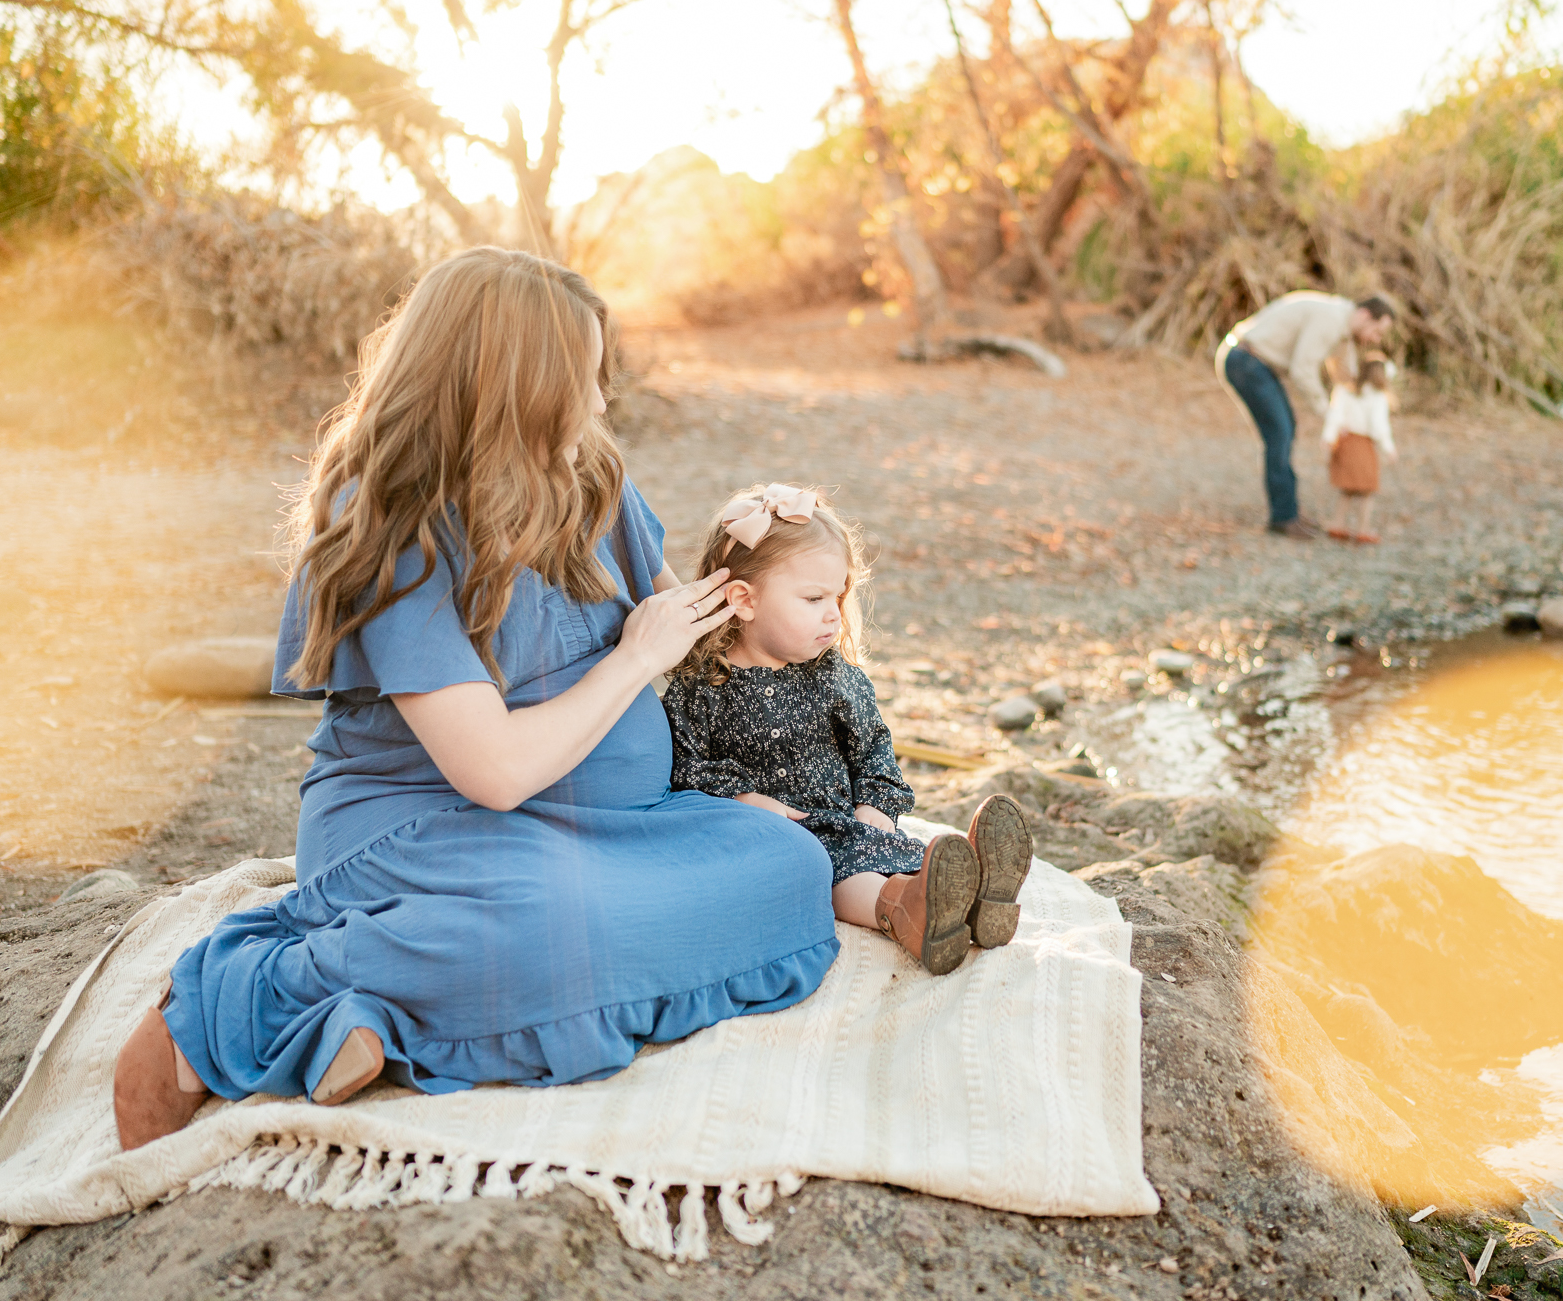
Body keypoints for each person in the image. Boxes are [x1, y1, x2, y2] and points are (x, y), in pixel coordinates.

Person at [112, 248, 841, 1150]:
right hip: (426, 828)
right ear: (513, 384)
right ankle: (244, 1002)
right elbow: (491, 772)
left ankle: (378, 1009)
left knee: (789, 863)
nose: (602, 403)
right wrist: (631, 662)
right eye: (582, 378)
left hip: (598, 828)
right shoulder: (395, 523)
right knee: (545, 927)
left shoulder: (594, 483)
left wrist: (769, 580)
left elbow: (690, 633)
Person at [660, 483, 1034, 977]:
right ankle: (905, 911)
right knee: (838, 872)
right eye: (813, 597)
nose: (834, 613)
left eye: (838, 595)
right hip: (781, 840)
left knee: (903, 856)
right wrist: (742, 800)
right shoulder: (702, 684)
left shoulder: (831, 674)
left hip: (852, 819)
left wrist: (876, 805)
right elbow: (685, 764)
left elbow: (873, 749)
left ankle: (979, 898)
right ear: (743, 600)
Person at [1214, 292, 1396, 539]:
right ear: (1364, 315)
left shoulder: (1342, 327)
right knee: (1280, 433)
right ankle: (1283, 518)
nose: (1375, 339)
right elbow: (1302, 369)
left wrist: (1366, 400)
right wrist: (1329, 414)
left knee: (1286, 429)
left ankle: (1288, 512)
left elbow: (1346, 373)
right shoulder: (1332, 319)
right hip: (1246, 360)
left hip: (1256, 364)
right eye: (1377, 331)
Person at [1322, 353, 1398, 544]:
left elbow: (1335, 415)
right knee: (1366, 491)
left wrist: (1328, 438)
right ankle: (1363, 529)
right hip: (1363, 445)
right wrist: (1388, 447)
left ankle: (1337, 524)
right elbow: (1378, 425)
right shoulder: (1377, 397)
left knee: (1347, 489)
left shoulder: (1346, 390)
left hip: (1345, 444)